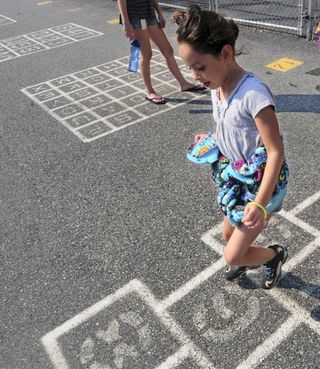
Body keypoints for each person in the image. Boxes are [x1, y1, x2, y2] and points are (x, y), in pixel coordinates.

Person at [174, 5, 289, 289]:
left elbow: (275, 152)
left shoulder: (254, 95)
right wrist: (212, 137)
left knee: (232, 252)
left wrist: (260, 205)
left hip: (260, 183)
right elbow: (228, 125)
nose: (195, 75)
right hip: (234, 175)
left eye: (199, 67)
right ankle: (249, 257)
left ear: (225, 54)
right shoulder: (217, 85)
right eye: (190, 68)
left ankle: (273, 256)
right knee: (228, 236)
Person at [117, 0, 205, 105]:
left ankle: (184, 84)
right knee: (146, 54)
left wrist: (160, 13)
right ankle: (150, 92)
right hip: (134, 16)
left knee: (168, 50)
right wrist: (126, 22)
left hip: (149, 13)